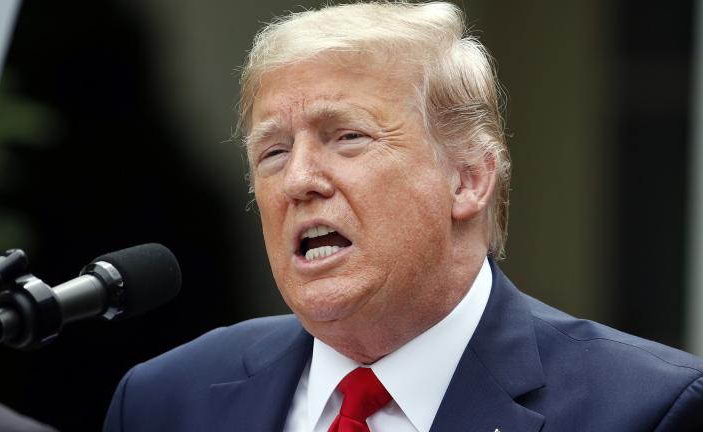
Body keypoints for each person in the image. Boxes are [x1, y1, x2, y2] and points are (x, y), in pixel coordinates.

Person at [103, 2, 703, 431]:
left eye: (348, 137)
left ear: (468, 178)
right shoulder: (165, 400)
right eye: (274, 151)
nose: (300, 180)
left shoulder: (646, 409)